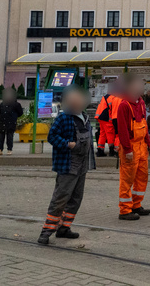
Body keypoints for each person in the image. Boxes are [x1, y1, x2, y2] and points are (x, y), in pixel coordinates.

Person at [38, 86, 96, 245]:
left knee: (76, 199)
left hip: (83, 165)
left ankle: (64, 228)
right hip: (68, 165)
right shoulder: (63, 118)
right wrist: (67, 144)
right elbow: (52, 137)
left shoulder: (84, 116)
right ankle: (46, 231)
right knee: (60, 199)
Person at [115, 74, 150, 220]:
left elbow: (144, 124)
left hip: (141, 146)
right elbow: (123, 129)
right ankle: (125, 210)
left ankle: (136, 205)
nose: (142, 87)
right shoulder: (124, 105)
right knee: (127, 179)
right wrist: (128, 150)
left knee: (142, 177)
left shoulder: (140, 102)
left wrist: (148, 142)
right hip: (130, 147)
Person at [0, 89, 24, 155]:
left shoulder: (16, 104)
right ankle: (0, 149)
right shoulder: (2, 104)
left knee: (9, 137)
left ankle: (9, 149)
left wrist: (14, 117)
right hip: (2, 122)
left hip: (11, 123)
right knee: (1, 137)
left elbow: (20, 113)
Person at [94, 91, 121, 157]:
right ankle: (111, 150)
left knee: (102, 133)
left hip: (100, 116)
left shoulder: (108, 96)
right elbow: (114, 109)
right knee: (110, 134)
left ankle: (100, 150)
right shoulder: (115, 98)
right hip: (107, 118)